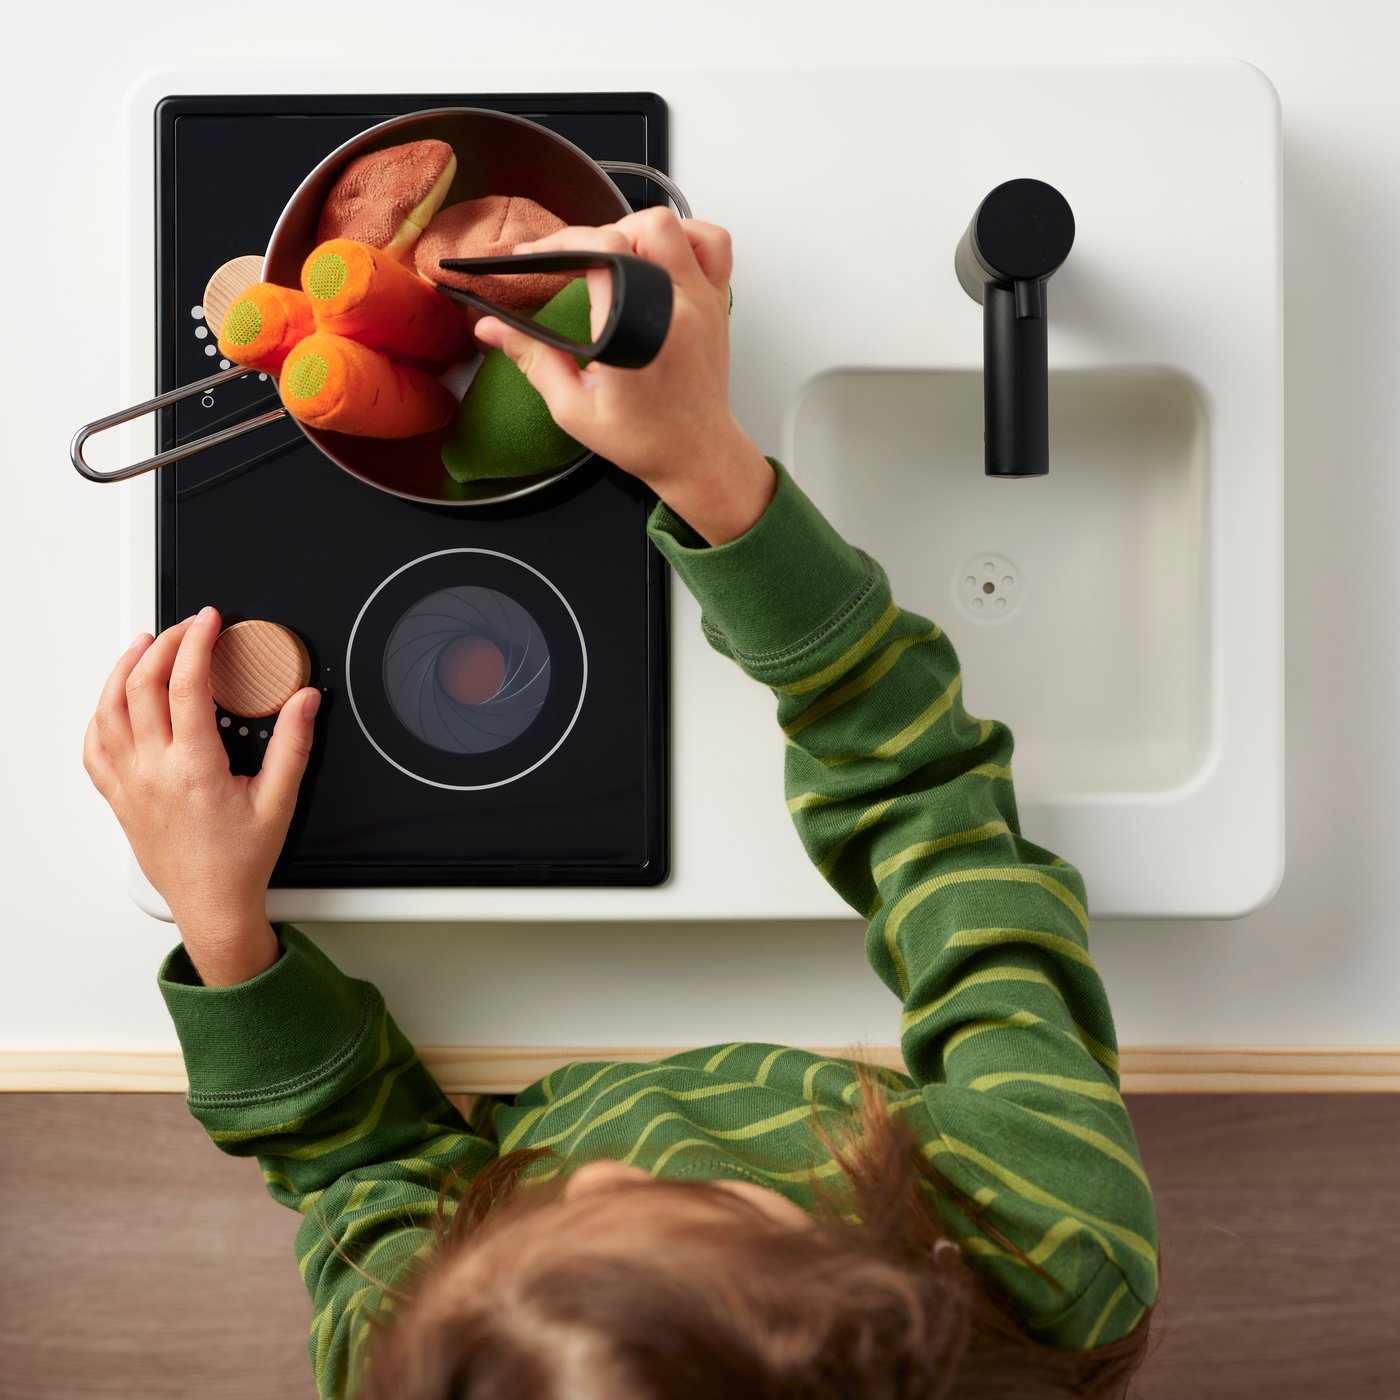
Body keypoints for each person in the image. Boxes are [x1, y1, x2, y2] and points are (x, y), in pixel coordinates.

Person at [83, 207, 1160, 1399]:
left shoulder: (414, 1349)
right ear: (884, 1309)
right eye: (678, 1193)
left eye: (536, 1218)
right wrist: (713, 472)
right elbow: (931, 806)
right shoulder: (1049, 1240)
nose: (590, 1171)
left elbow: (363, 1166)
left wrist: (221, 928)